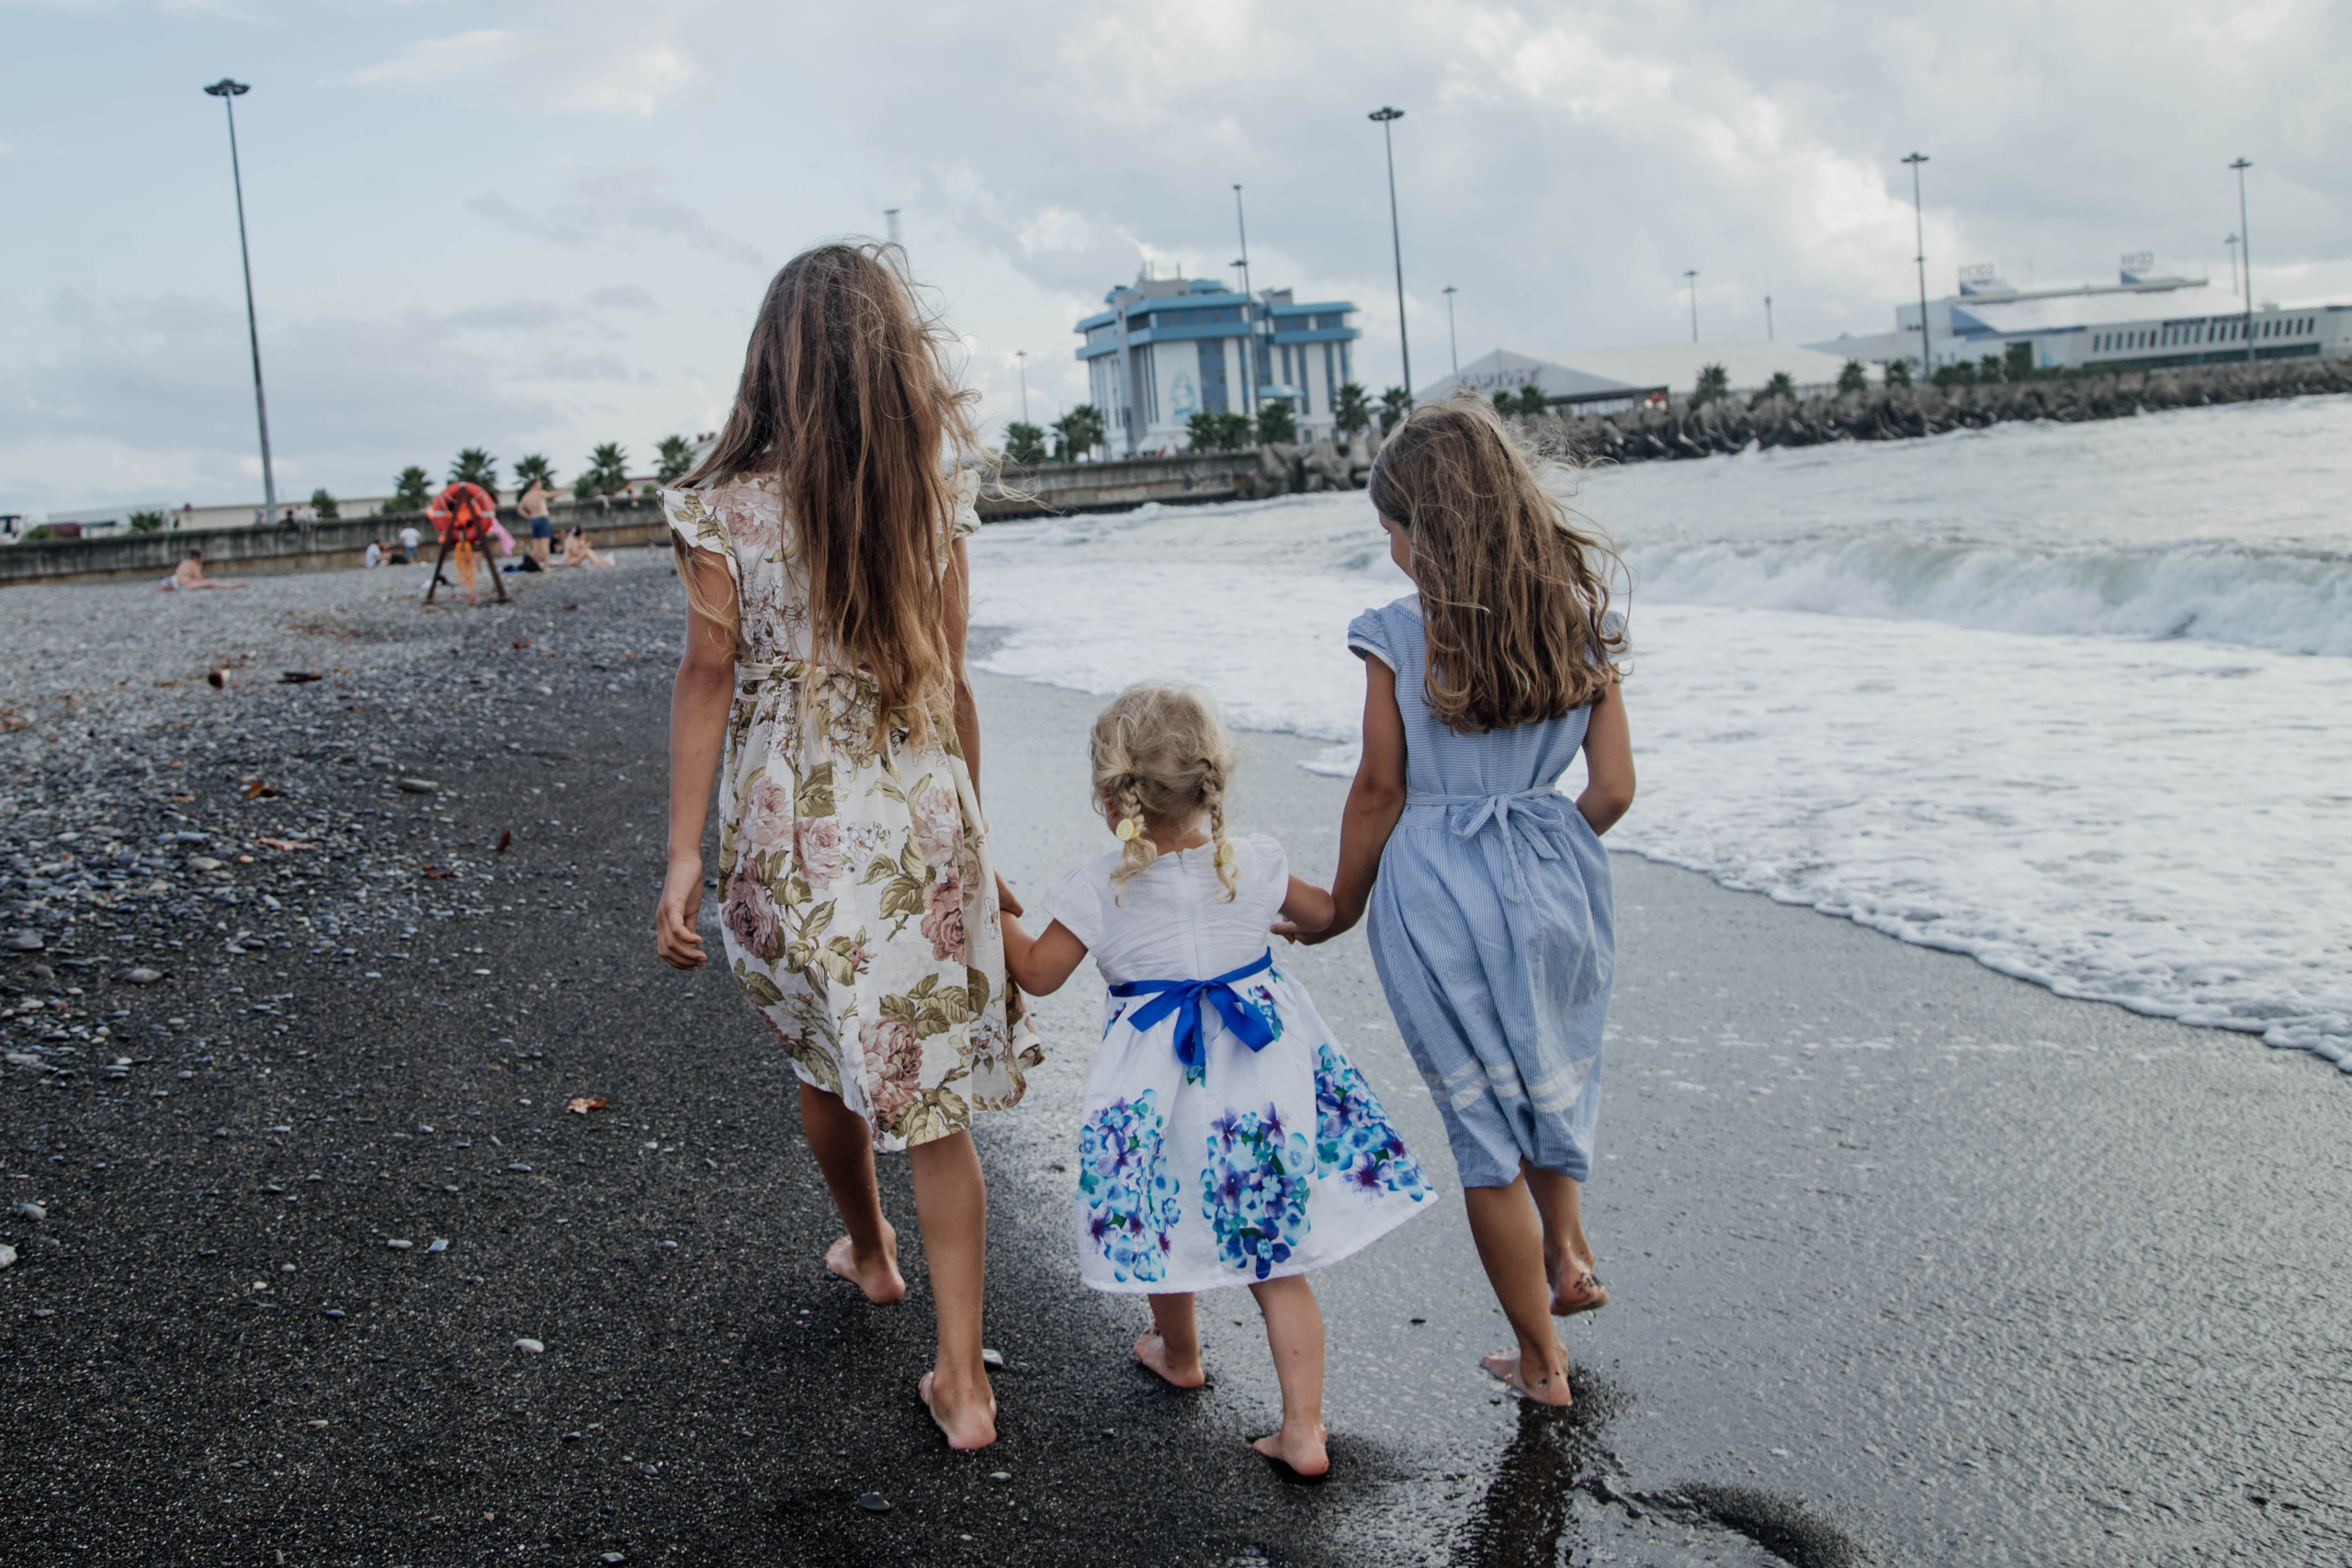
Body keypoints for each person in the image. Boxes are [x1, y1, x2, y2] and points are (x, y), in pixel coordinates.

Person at [652, 242, 1041, 1451]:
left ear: (772, 359)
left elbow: (708, 674)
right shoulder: (927, 491)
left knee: (828, 1057)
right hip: (917, 811)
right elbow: (953, 681)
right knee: (934, 1102)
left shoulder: (723, 506)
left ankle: (870, 1248)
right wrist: (980, 839)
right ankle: (964, 1382)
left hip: (790, 825)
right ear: (895, 357)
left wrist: (679, 857)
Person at [1284, 397, 1634, 1409]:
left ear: (1424, 529)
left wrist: (1341, 904)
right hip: (1554, 874)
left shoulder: (1396, 632)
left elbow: (1380, 788)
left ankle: (1540, 1363)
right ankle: (1567, 1251)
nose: (1390, 550)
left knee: (1484, 1134)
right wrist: (1542, 855)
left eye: (1391, 529)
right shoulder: (1580, 618)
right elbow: (1611, 789)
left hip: (1436, 891)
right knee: (1546, 1079)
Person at [998, 684, 1430, 1478]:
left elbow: (1035, 971)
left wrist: (991, 903)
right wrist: (1294, 924)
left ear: (1110, 796)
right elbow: (1327, 911)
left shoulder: (1098, 887)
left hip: (1156, 1086)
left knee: (1167, 1204)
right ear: (1212, 782)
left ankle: (1179, 1347)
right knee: (1276, 1253)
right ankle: (1303, 1428)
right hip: (1260, 1080)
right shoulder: (1257, 863)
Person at [424, 479, 509, 606]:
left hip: (459, 532)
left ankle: (476, 574)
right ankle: (479, 574)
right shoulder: (471, 507)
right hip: (465, 532)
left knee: (474, 553)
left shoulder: (458, 509)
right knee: (477, 552)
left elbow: (436, 513)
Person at [155, 547, 242, 592]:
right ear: (197, 558)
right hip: (184, 583)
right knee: (209, 583)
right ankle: (230, 586)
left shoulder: (185, 562)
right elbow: (199, 578)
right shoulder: (194, 564)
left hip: (173, 580)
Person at [518, 478, 554, 567]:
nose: (540, 485)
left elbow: (519, 509)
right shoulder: (539, 493)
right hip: (542, 519)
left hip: (534, 520)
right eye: (539, 483)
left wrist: (528, 516)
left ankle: (535, 566)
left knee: (536, 548)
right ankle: (546, 566)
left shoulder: (527, 496)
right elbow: (553, 494)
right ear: (535, 484)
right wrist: (565, 490)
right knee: (545, 545)